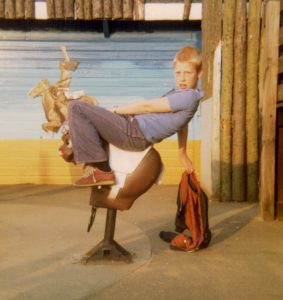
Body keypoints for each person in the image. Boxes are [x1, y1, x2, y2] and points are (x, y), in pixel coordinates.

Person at [67, 45, 203, 187]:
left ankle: (100, 169)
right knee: (87, 111)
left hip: (134, 133)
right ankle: (78, 152)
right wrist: (182, 153)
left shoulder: (189, 96)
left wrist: (115, 110)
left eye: (187, 73)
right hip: (132, 126)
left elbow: (147, 107)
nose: (182, 78)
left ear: (199, 72)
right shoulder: (182, 94)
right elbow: (182, 125)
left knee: (76, 107)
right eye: (178, 73)